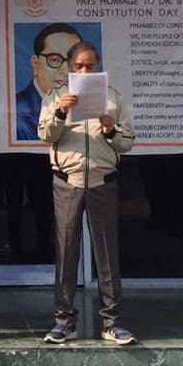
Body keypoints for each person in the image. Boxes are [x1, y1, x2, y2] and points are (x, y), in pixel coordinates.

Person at [37, 41, 136, 346]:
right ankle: (64, 322)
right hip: (67, 181)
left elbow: (127, 141)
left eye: (89, 66)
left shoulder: (112, 97)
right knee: (66, 251)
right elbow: (45, 134)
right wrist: (61, 111)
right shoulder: (55, 96)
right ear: (69, 67)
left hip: (101, 181)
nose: (83, 71)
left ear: (98, 66)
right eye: (78, 66)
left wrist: (110, 131)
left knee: (107, 254)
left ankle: (112, 322)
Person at [15, 23, 81, 143]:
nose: (66, 70)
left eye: (73, 61)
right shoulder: (17, 110)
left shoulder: (90, 103)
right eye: (55, 60)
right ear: (35, 63)